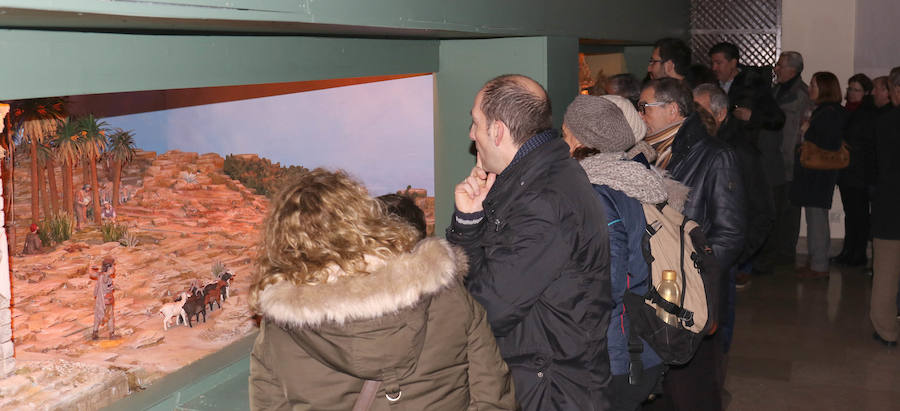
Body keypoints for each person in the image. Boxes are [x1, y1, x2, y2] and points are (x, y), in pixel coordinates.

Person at [249, 169, 516, 410]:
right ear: (366, 219)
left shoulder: (278, 335)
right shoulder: (449, 296)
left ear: (283, 245)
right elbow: (493, 397)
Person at [447, 74, 613, 410]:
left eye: (475, 122)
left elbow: (487, 309)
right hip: (550, 377)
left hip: (550, 388)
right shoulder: (543, 174)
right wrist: (469, 219)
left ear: (497, 131)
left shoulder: (543, 201)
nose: (471, 134)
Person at [562, 95, 685, 410]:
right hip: (646, 339)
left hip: (616, 353)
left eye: (565, 134)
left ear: (579, 138)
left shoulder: (596, 194)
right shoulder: (637, 180)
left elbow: (607, 285)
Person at [639, 77, 745, 411]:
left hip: (692, 294)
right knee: (659, 385)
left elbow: (730, 233)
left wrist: (694, 277)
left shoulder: (716, 156)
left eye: (645, 107)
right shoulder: (646, 154)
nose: (640, 114)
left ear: (672, 110)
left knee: (692, 389)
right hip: (657, 289)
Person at [754, 51, 812, 274]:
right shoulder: (776, 91)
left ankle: (784, 255)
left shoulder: (801, 95)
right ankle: (771, 254)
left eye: (780, 65)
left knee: (788, 213)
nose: (776, 68)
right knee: (773, 210)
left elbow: (796, 133)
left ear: (793, 70)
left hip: (789, 163)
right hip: (772, 161)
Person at [791, 72, 848, 279]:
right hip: (818, 173)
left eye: (814, 85)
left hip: (819, 173)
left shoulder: (828, 112)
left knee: (816, 217)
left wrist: (808, 132)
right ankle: (817, 261)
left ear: (824, 89)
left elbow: (828, 142)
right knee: (816, 216)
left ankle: (819, 265)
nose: (810, 89)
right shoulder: (825, 111)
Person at [869, 68, 900, 347]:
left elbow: (880, 164)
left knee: (887, 272)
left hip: (891, 204)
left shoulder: (886, 121)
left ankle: (887, 330)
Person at [833, 74, 875, 266]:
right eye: (850, 88)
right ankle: (848, 251)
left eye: (856, 89)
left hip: (859, 171)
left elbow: (863, 142)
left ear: (866, 92)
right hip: (847, 170)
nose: (851, 93)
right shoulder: (846, 111)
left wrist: (844, 141)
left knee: (859, 214)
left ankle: (858, 253)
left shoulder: (867, 112)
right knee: (851, 214)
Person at [90, 256, 117, 340]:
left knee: (98, 316)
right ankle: (111, 334)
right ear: (108, 268)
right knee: (110, 317)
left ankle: (95, 332)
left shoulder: (102, 275)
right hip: (105, 302)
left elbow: (93, 274)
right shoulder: (104, 277)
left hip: (106, 300)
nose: (114, 268)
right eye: (112, 266)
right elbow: (104, 279)